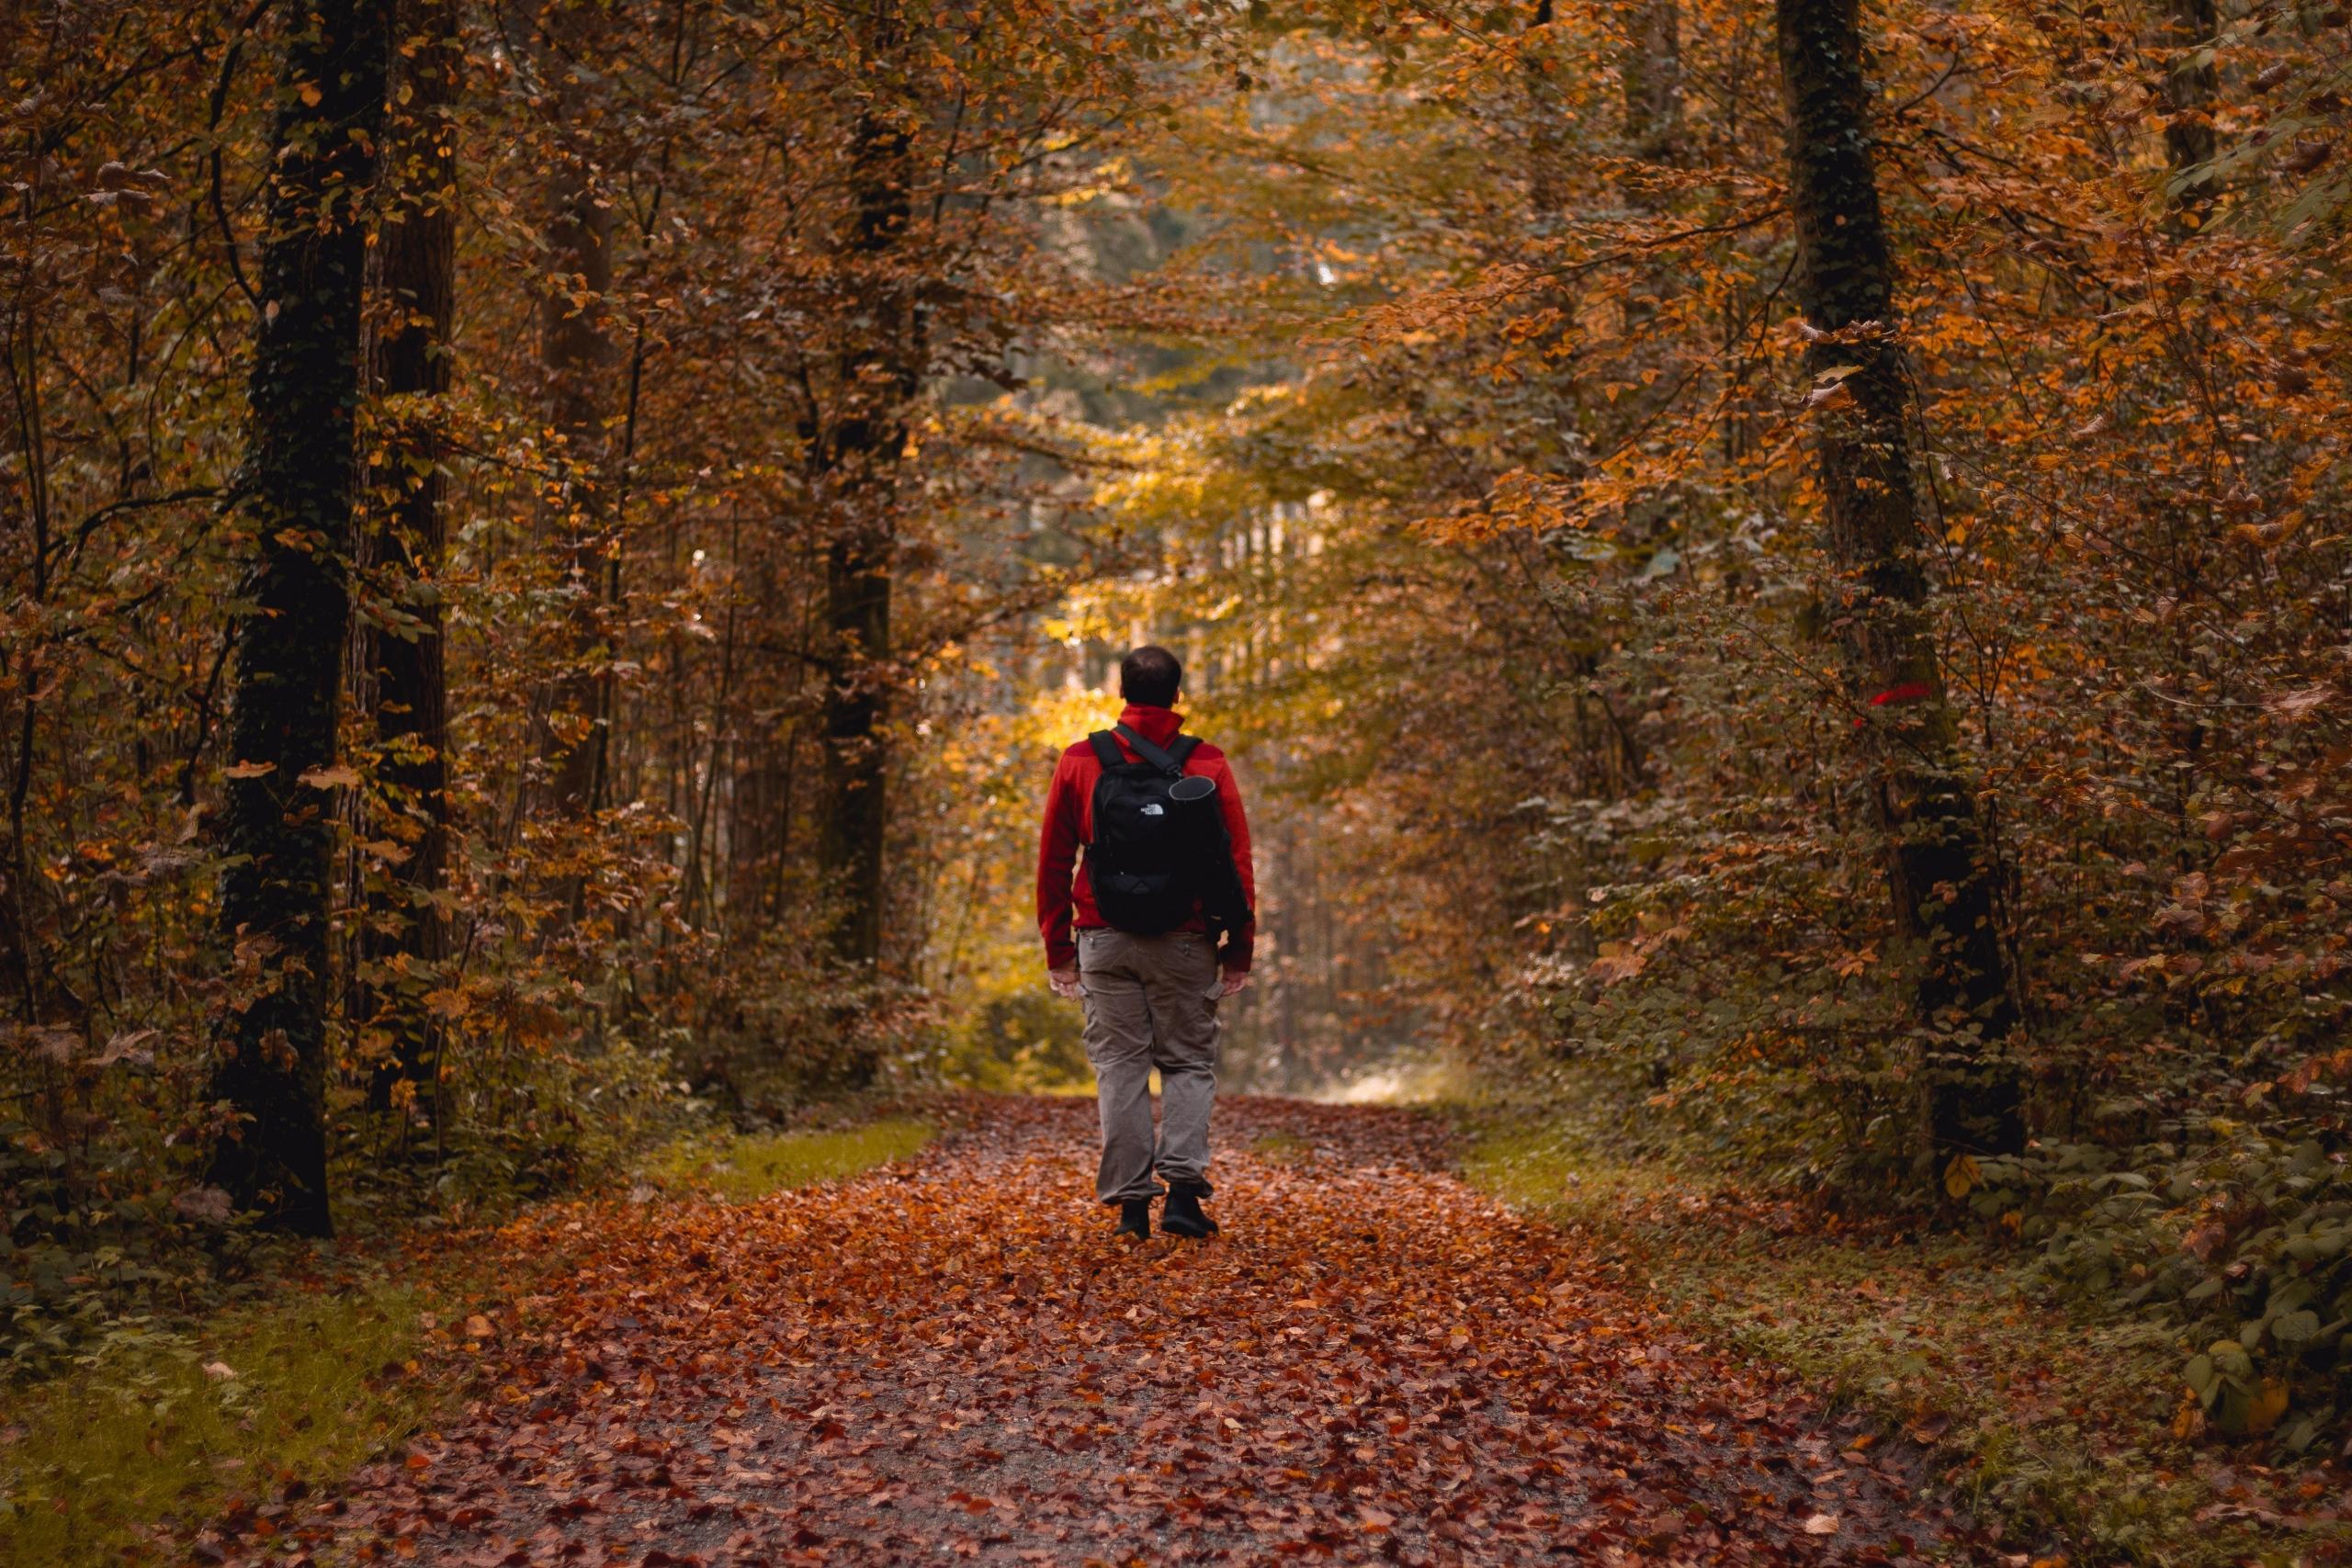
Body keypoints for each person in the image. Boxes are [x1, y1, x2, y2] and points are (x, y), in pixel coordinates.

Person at [1036, 645, 1254, 1240]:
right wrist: (1240, 947)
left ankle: (1132, 1207)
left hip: (1103, 937)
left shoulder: (1082, 759)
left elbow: (1054, 859)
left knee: (1120, 1067)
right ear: (1177, 695)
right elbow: (1235, 860)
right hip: (1185, 937)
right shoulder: (1205, 761)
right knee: (1187, 1062)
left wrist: (1059, 946)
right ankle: (1183, 1195)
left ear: (1123, 692)